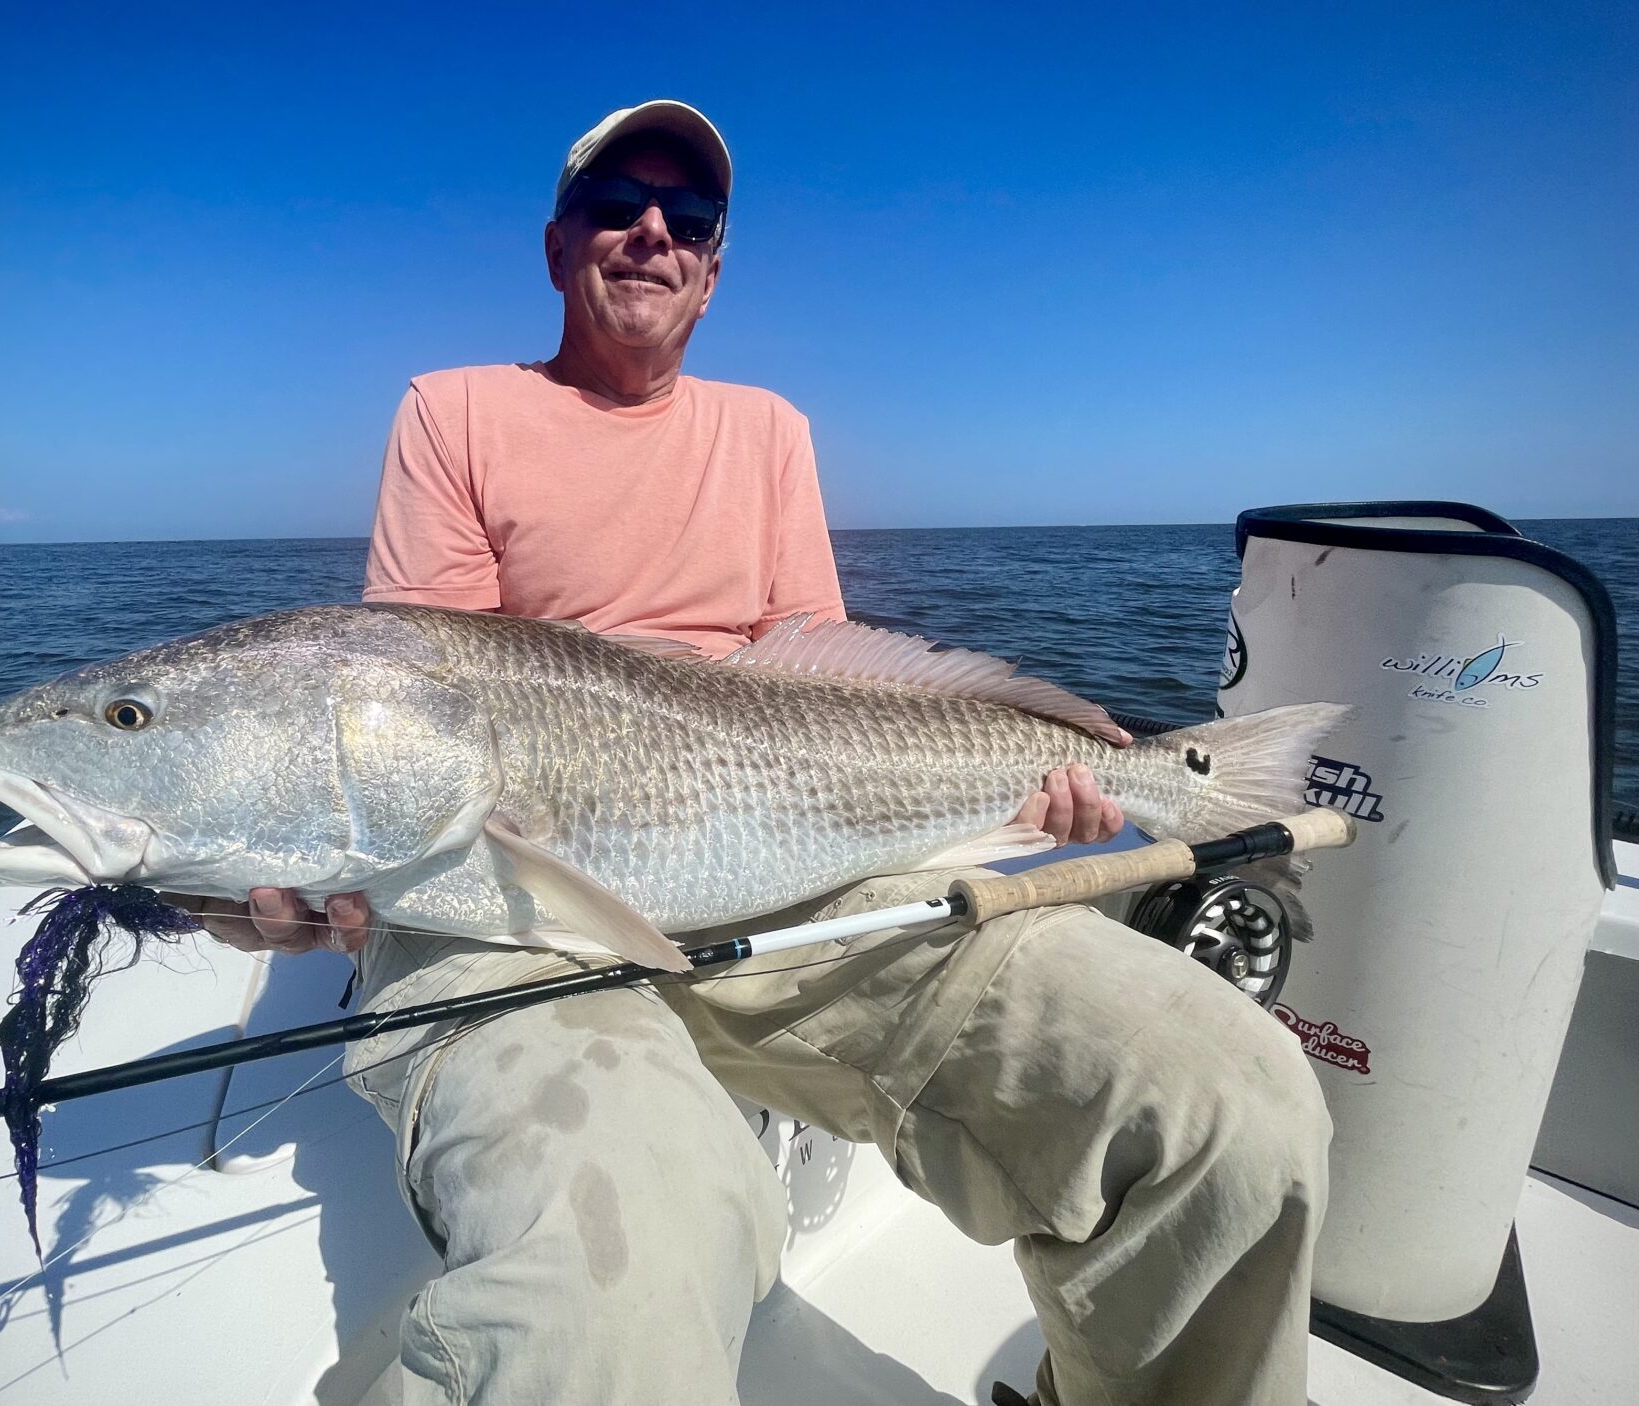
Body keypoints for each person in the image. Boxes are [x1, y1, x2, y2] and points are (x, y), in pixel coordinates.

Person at [192, 102, 1329, 1406]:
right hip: (515, 915)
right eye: (618, 198)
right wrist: (307, 862)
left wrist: (1030, 789)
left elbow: (821, 668)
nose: (654, 230)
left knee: (1232, 1100)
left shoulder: (769, 430)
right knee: (611, 1286)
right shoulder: (452, 412)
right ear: (558, 243)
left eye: (694, 216)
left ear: (717, 266)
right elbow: (422, 709)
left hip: (798, 869)